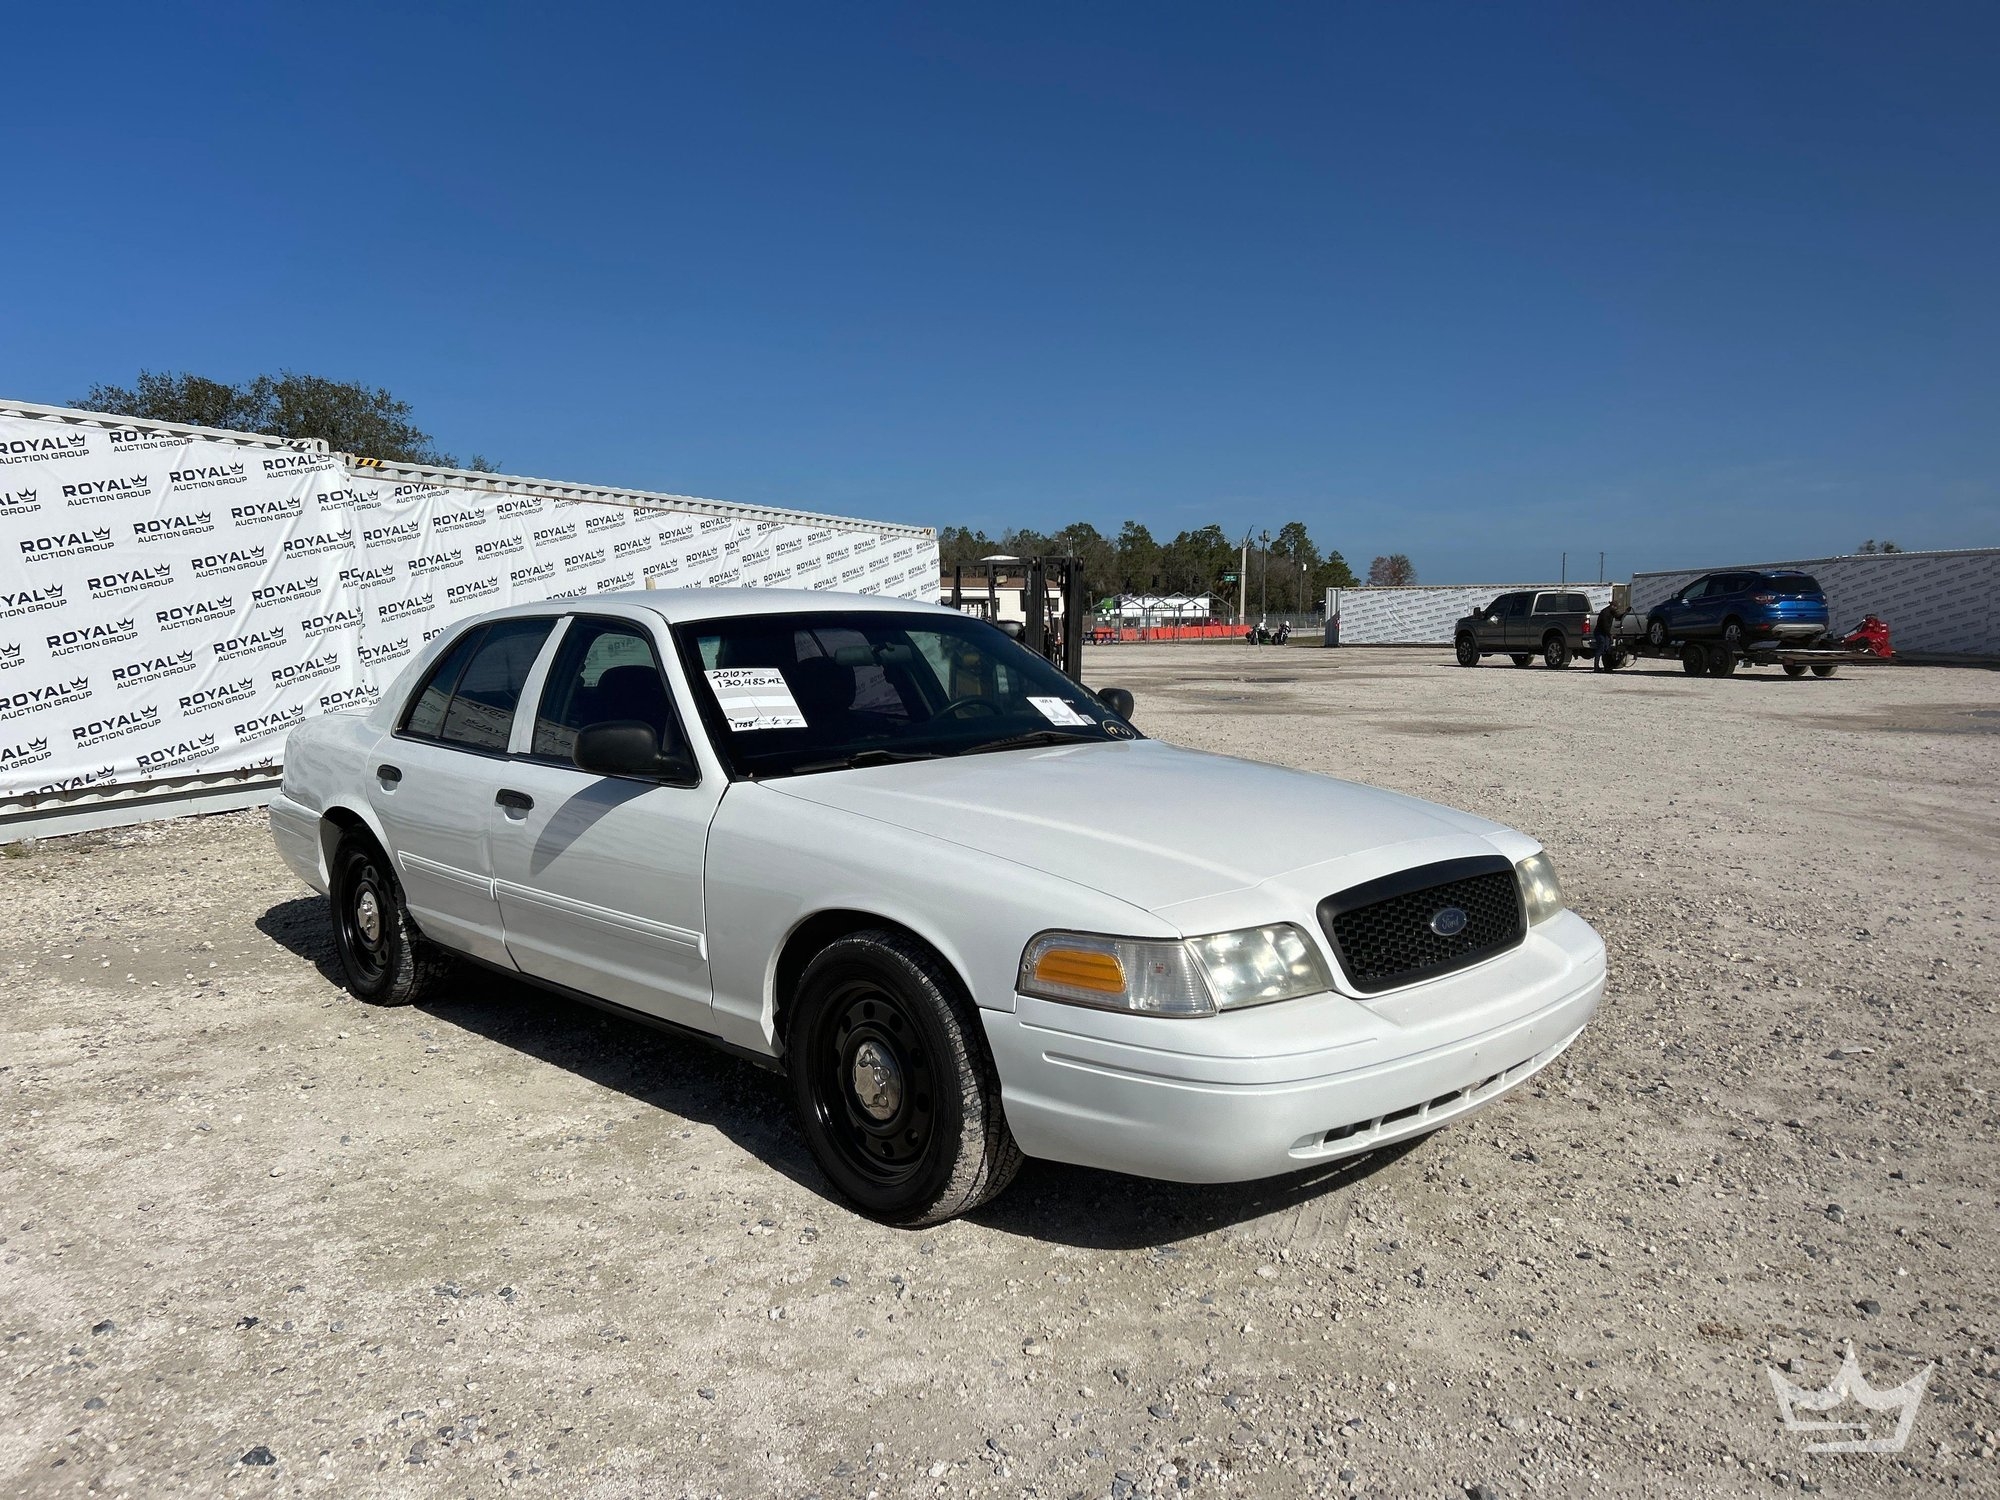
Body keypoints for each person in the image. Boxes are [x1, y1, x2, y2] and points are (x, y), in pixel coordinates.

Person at [1592, 600, 1621, 671]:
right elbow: (1605, 626)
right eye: (1615, 607)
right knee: (1601, 648)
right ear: (1612, 606)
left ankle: (1607, 667)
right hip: (1600, 632)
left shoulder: (1611, 611)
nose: (1616, 609)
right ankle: (1596, 667)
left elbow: (1618, 617)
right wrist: (1610, 635)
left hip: (1605, 633)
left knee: (1607, 649)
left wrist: (1625, 613)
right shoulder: (1605, 612)